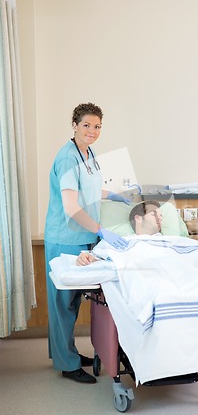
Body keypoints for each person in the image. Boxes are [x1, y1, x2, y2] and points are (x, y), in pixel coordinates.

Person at [44, 102, 130, 384]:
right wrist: (102, 230)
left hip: (84, 238)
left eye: (97, 127)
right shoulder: (68, 157)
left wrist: (115, 193)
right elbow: (71, 206)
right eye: (86, 126)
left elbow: (90, 188)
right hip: (65, 238)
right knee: (63, 304)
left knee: (73, 302)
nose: (92, 132)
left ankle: (64, 352)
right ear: (74, 125)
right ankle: (66, 363)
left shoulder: (88, 152)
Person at [77, 200, 198, 273]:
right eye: (154, 214)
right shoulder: (124, 241)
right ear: (138, 218)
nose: (160, 217)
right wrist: (86, 257)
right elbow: (99, 257)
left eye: (161, 215)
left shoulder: (170, 240)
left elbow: (194, 253)